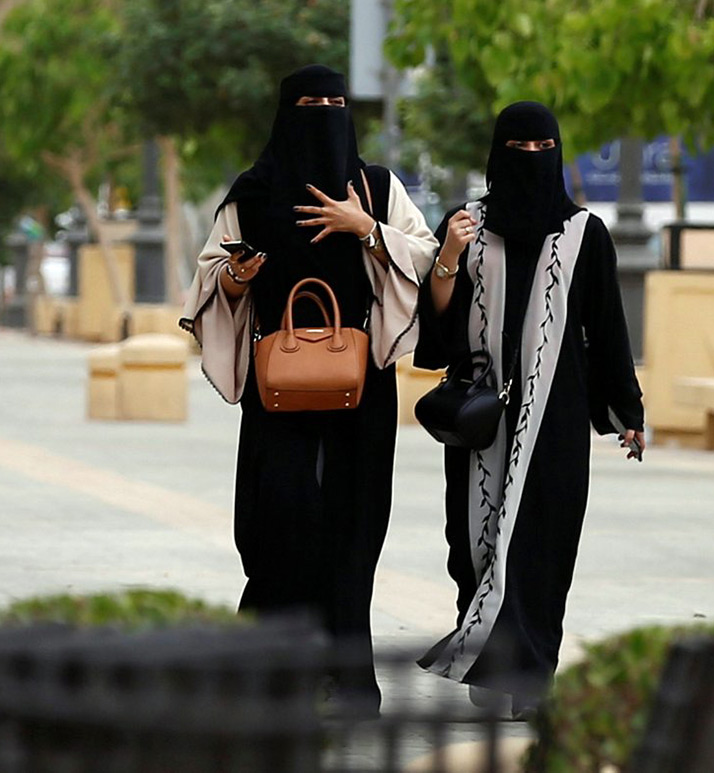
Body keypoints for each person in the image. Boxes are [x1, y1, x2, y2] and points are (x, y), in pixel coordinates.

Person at [180, 65, 437, 716]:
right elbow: (212, 282)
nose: (324, 113)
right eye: (309, 104)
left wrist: (365, 229)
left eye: (335, 102)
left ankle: (346, 676)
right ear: (284, 112)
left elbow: (429, 258)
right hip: (279, 390)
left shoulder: (376, 188)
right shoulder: (255, 193)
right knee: (281, 525)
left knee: (353, 531)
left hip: (361, 388)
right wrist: (237, 280)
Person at [414, 102, 644, 719]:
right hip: (479, 417)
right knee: (473, 546)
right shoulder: (465, 224)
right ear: (497, 153)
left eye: (544, 149)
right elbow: (432, 333)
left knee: (544, 549)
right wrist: (446, 258)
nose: (532, 161)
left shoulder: (584, 234)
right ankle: (495, 662)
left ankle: (532, 676)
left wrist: (628, 410)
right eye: (519, 149)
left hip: (557, 421)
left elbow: (608, 329)